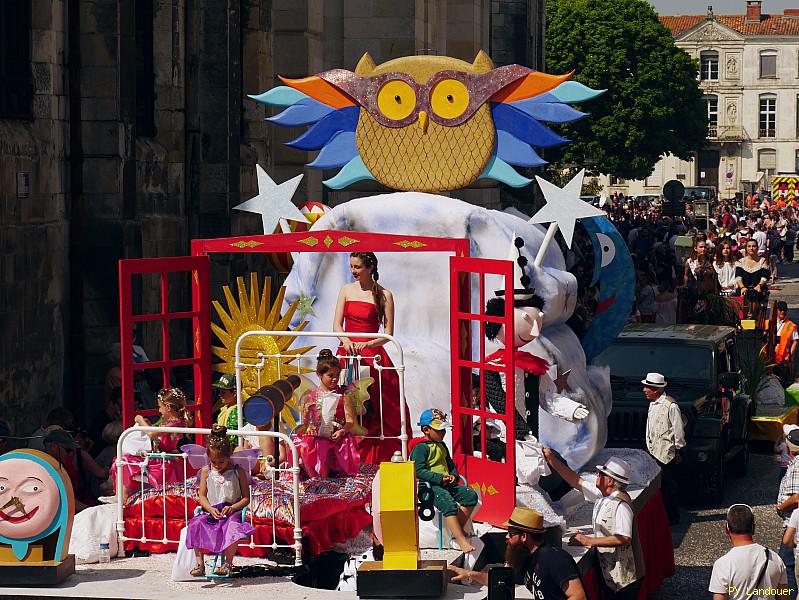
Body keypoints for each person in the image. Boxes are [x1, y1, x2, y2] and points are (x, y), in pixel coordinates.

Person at [333, 251, 408, 463]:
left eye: (357, 267)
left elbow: (388, 334)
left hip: (372, 355)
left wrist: (367, 343)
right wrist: (346, 341)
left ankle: (380, 457)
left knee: (380, 406)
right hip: (347, 353)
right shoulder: (346, 290)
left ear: (370, 268)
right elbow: (337, 324)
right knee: (345, 404)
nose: (353, 271)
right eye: (351, 267)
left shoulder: (385, 295)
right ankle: (344, 455)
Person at [543, 452, 643, 600]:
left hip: (625, 577)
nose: (597, 475)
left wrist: (588, 541)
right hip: (610, 572)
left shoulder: (621, 505)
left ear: (610, 481)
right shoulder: (603, 496)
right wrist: (552, 460)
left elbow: (624, 538)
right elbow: (576, 481)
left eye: (601, 474)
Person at [447, 507, 586, 600]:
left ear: (524, 536)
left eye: (511, 533)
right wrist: (469, 574)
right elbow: (500, 580)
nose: (506, 537)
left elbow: (578, 596)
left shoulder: (554, 558)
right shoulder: (528, 559)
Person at [185, 425, 255, 577]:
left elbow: (246, 498)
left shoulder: (238, 471)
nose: (217, 465)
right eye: (214, 462)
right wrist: (210, 509)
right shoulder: (206, 470)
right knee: (196, 523)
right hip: (212, 511)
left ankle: (227, 564)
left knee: (232, 527)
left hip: (231, 512)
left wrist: (233, 507)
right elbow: (202, 496)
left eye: (221, 462)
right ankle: (200, 564)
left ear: (228, 456)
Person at [410, 408, 478, 553]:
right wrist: (439, 479)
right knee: (448, 504)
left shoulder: (442, 446)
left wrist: (454, 476)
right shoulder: (421, 448)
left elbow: (450, 464)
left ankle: (456, 531)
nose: (443, 433)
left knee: (470, 496)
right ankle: (460, 540)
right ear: (426, 429)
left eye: (443, 429)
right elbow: (417, 470)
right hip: (428, 487)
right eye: (439, 430)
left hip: (445, 484)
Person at [295, 350, 361, 479]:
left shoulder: (343, 395)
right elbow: (307, 423)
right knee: (304, 445)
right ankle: (314, 478)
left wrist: (342, 431)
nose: (335, 378)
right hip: (317, 435)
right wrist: (308, 414)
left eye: (337, 374)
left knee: (323, 446)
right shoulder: (311, 395)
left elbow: (350, 421)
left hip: (337, 435)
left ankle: (323, 480)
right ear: (319, 374)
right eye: (331, 375)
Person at [112, 387, 190, 495]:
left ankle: (123, 496)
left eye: (160, 407)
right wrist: (147, 424)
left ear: (168, 407)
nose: (158, 410)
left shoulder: (176, 423)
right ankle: (120, 495)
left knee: (126, 461)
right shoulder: (168, 421)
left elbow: (152, 434)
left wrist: (140, 419)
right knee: (122, 460)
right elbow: (154, 432)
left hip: (164, 461)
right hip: (157, 458)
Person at [710, 504, 788, 600]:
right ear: (753, 528)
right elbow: (784, 596)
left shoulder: (723, 565)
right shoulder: (775, 559)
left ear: (726, 528)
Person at [642, 372, 685, 525]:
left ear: (656, 389)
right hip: (653, 450)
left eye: (647, 387)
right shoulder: (653, 404)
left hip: (665, 452)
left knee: (667, 485)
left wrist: (678, 449)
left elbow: (678, 429)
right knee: (656, 486)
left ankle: (673, 516)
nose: (644, 390)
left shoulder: (670, 405)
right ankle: (662, 515)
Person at [43, 427, 108, 512]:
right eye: (68, 450)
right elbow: (66, 500)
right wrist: (94, 511)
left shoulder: (75, 456)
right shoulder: (46, 468)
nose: (69, 454)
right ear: (53, 447)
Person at [778, 428, 799, 599]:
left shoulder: (797, 465)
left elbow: (797, 497)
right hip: (792, 522)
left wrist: (781, 507)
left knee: (786, 567)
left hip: (793, 524)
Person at [736, 239, 770, 321]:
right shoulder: (741, 262)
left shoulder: (762, 261)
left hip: (758, 289)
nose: (751, 248)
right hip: (744, 289)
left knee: (756, 295)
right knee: (739, 297)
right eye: (749, 246)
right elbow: (738, 277)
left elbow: (764, 277)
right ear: (746, 248)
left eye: (754, 246)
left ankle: (755, 318)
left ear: (757, 248)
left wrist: (759, 285)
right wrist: (742, 287)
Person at [213, 373, 241, 448]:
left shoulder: (237, 410)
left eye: (223, 392)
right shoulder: (225, 408)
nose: (220, 395)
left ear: (234, 393)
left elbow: (232, 439)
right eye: (219, 392)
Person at [774, 301, 798, 379]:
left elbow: (795, 341)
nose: (782, 312)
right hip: (771, 358)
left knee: (785, 380)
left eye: (784, 310)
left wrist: (791, 355)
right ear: (776, 310)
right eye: (780, 309)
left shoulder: (791, 325)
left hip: (784, 360)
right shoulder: (769, 323)